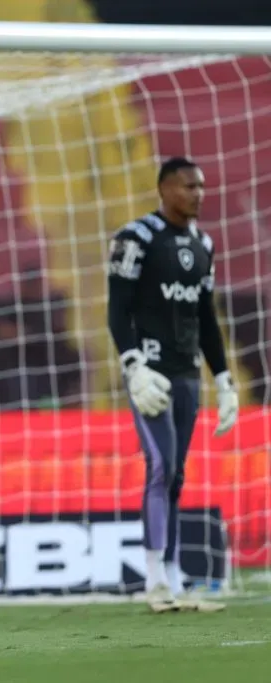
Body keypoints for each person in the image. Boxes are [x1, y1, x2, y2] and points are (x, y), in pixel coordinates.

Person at [106, 156, 238, 613]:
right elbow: (117, 308)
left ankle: (173, 576)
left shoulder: (204, 243)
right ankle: (155, 579)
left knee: (177, 473)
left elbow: (205, 317)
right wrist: (133, 364)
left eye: (200, 186)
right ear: (164, 188)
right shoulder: (136, 238)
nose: (197, 194)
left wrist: (223, 379)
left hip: (186, 373)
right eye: (188, 186)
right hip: (150, 373)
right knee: (160, 465)